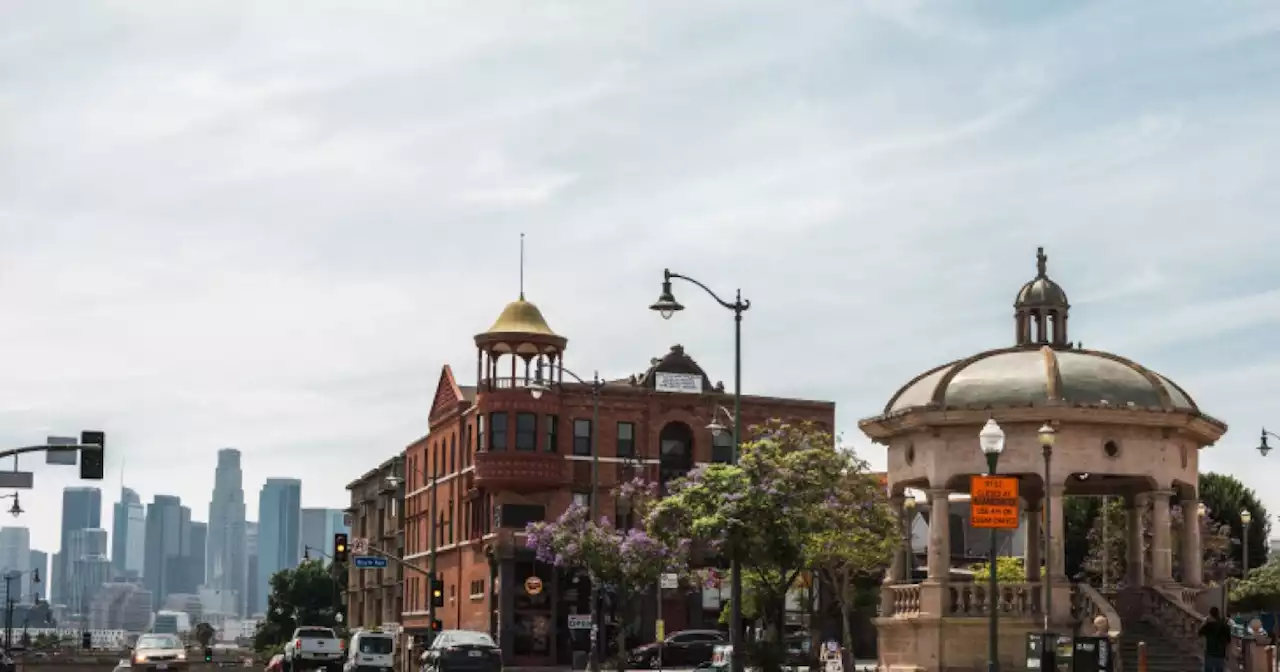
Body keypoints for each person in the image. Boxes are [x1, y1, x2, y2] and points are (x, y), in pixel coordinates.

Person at [1198, 607, 1232, 672]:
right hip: (1220, 653)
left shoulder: (1208, 626)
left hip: (1210, 653)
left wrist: (1205, 622)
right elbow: (1228, 641)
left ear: (1210, 614)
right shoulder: (1225, 626)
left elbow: (1199, 633)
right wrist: (1228, 654)